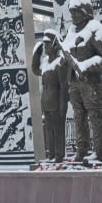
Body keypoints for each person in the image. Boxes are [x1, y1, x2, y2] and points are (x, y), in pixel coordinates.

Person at [61, 0, 102, 163]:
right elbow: (68, 53)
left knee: (95, 116)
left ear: (86, 11)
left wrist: (86, 66)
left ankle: (98, 152)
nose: (74, 15)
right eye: (72, 12)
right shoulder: (71, 30)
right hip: (74, 83)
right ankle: (81, 151)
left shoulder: (95, 28)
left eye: (77, 12)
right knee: (79, 117)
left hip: (90, 83)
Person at [30, 29, 68, 161]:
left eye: (48, 44)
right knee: (49, 130)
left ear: (54, 45)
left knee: (58, 131)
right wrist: (37, 54)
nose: (46, 47)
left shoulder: (60, 63)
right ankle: (50, 154)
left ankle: (58, 154)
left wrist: (63, 104)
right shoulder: (45, 62)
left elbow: (64, 86)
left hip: (56, 102)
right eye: (45, 44)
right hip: (46, 101)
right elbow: (35, 70)